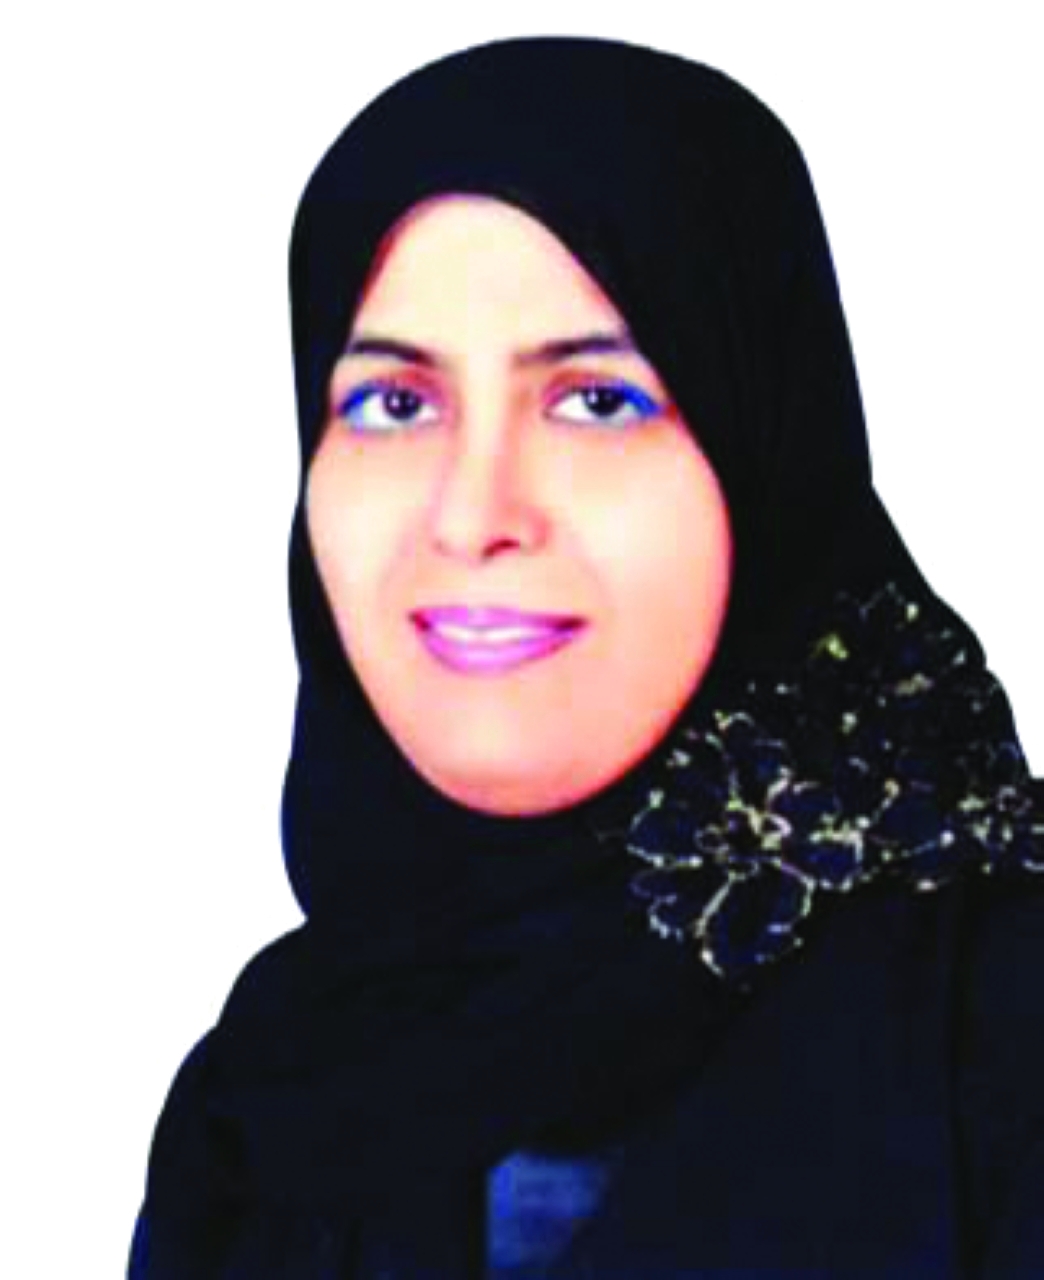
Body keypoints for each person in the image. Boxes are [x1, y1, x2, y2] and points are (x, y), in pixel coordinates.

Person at [129, 35, 1044, 1277]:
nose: (472, 513)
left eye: (597, 400)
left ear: (766, 446)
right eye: (395, 403)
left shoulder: (995, 1030)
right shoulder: (270, 1092)